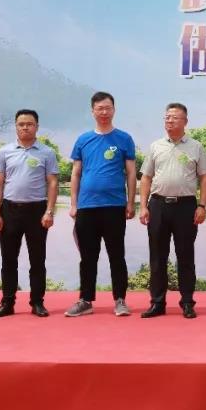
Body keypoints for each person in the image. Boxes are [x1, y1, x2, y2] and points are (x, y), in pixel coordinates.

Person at [138, 103, 206, 319]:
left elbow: (204, 178)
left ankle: (187, 302)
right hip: (158, 205)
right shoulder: (156, 146)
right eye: (167, 117)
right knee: (157, 257)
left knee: (185, 256)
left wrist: (202, 205)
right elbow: (146, 177)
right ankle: (157, 302)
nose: (169, 121)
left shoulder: (196, 147)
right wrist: (143, 206)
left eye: (175, 117)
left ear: (185, 121)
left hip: (186, 206)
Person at [65, 91, 136, 318]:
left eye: (108, 108)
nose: (104, 112)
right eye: (100, 108)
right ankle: (85, 300)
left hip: (114, 206)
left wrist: (130, 202)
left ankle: (120, 300)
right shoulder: (83, 140)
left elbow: (131, 173)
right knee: (88, 257)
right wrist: (74, 204)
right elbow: (76, 173)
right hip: (87, 207)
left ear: (114, 110)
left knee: (117, 255)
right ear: (92, 111)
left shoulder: (124, 139)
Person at [0, 109, 59, 318]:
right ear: (16, 126)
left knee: (37, 260)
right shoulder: (5, 151)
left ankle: (37, 302)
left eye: (29, 124)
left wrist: (49, 212)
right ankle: (7, 303)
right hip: (10, 210)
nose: (25, 127)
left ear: (37, 126)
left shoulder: (47, 152)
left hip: (37, 211)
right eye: (21, 124)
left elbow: (52, 183)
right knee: (9, 259)